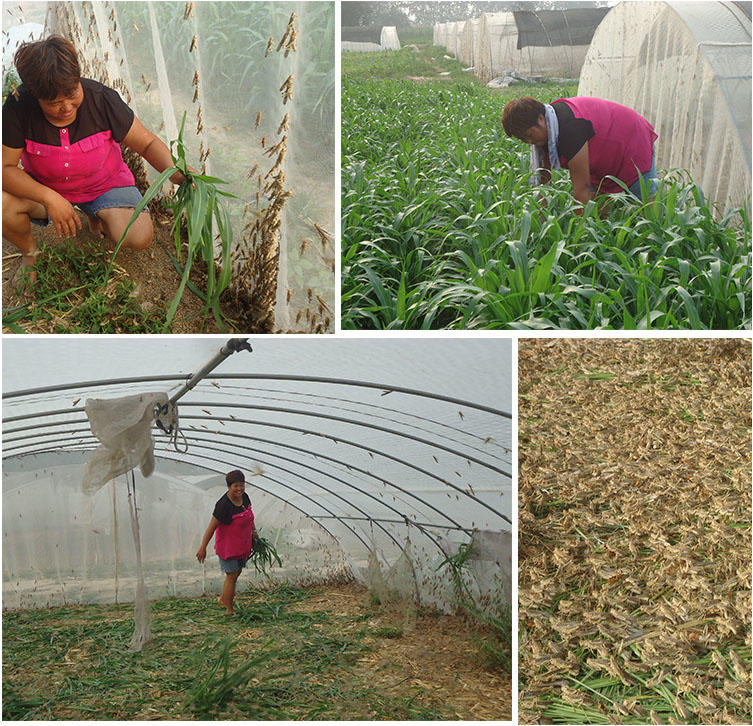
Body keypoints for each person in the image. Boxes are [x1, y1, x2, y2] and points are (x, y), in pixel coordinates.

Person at [2, 35, 187, 286]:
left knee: (139, 236)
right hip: (46, 185)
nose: (67, 107)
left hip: (104, 184)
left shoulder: (102, 99)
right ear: (35, 96)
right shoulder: (17, 106)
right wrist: (50, 197)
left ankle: (97, 212)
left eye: (72, 94)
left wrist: (174, 171)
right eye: (54, 103)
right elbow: (5, 168)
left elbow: (146, 143)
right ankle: (30, 252)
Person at [501, 96, 659, 208]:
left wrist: (578, 239)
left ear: (541, 119)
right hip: (603, 157)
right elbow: (544, 187)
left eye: (529, 135)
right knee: (599, 208)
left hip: (631, 142)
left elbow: (581, 191)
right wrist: (543, 225)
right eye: (523, 139)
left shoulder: (570, 129)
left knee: (645, 209)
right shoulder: (545, 133)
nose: (529, 142)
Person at [196, 469, 258, 615]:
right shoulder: (223, 505)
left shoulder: (245, 497)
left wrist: (254, 532)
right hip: (228, 547)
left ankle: (224, 599)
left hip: (242, 544)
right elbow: (211, 528)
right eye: (236, 486)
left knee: (237, 572)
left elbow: (249, 515)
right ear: (229, 486)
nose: (239, 489)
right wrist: (202, 547)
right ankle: (229, 610)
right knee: (231, 576)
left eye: (242, 485)